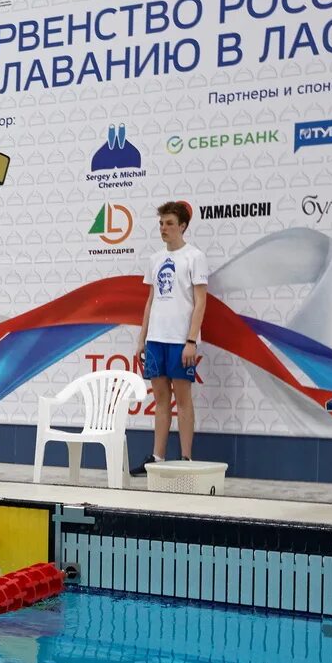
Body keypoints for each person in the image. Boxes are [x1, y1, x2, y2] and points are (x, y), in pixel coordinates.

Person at [131, 201, 208, 475]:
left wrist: (191, 341)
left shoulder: (194, 257)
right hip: (156, 339)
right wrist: (142, 338)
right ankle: (157, 458)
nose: (163, 228)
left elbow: (200, 302)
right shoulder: (154, 259)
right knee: (161, 399)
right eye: (161, 224)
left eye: (170, 224)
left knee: (183, 399)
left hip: (180, 340)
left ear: (183, 226)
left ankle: (186, 459)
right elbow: (151, 301)